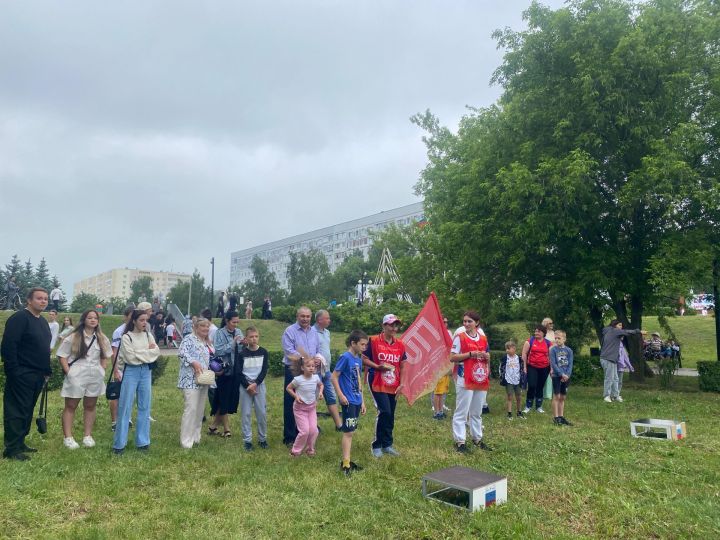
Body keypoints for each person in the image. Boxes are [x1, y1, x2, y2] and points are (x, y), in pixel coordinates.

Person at [1, 288, 51, 461]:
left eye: (45, 298)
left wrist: (47, 372)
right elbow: (8, 346)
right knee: (16, 410)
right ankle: (11, 449)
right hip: (21, 373)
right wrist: (14, 371)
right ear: (29, 300)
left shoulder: (43, 322)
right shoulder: (19, 319)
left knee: (27, 409)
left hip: (37, 375)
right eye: (39, 298)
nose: (43, 301)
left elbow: (44, 349)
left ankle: (20, 442)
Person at [57, 309, 112, 449]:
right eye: (89, 318)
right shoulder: (74, 336)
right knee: (71, 405)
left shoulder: (101, 337)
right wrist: (69, 372)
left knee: (90, 405)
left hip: (95, 374)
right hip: (77, 373)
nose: (93, 320)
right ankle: (68, 437)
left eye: (95, 318)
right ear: (84, 320)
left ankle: (87, 435)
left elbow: (105, 355)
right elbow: (62, 355)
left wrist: (102, 369)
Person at [111, 309, 160, 454]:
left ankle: (143, 442)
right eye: (141, 320)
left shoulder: (148, 335)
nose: (145, 323)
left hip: (146, 372)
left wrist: (141, 354)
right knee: (125, 407)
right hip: (131, 372)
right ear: (134, 321)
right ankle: (119, 444)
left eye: (146, 320)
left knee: (145, 406)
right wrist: (147, 353)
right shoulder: (126, 337)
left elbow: (156, 353)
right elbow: (130, 358)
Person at [362, 314, 407, 458]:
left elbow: (403, 365)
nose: (394, 328)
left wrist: (402, 383)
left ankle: (387, 444)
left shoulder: (400, 344)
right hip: (376, 380)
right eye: (391, 325)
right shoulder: (373, 341)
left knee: (391, 413)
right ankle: (376, 445)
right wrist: (377, 366)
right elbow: (363, 358)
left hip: (393, 382)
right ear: (383, 326)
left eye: (396, 325)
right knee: (384, 411)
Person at [450, 310, 491, 453]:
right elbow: (452, 357)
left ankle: (477, 438)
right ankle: (460, 441)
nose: (466, 324)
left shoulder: (483, 338)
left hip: (479, 377)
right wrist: (470, 354)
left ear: (477, 323)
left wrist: (486, 358)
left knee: (476, 411)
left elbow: (488, 355)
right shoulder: (460, 337)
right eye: (464, 321)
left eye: (469, 321)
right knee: (462, 410)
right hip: (465, 377)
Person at [281, 306, 319, 445]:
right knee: (292, 401)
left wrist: (317, 359)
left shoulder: (314, 332)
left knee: (308, 399)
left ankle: (305, 431)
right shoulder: (290, 331)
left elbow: (318, 349)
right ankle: (290, 436)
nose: (305, 319)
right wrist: (307, 359)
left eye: (308, 316)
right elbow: (289, 351)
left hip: (309, 370)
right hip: (294, 370)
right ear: (297, 316)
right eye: (302, 316)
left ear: (311, 317)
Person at [332, 330, 368, 476]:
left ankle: (347, 461)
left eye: (366, 344)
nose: (364, 347)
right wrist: (340, 395)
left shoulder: (358, 359)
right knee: (348, 433)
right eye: (362, 344)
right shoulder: (345, 357)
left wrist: (363, 401)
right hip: (348, 400)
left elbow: (359, 381)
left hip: (356, 400)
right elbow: (334, 377)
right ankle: (346, 463)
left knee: (351, 431)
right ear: (353, 343)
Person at [177, 317, 214, 449]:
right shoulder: (189, 339)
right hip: (190, 379)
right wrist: (193, 362)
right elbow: (181, 353)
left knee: (199, 410)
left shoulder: (207, 342)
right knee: (191, 409)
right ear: (196, 328)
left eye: (207, 326)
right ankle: (186, 441)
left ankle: (195, 437)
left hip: (203, 379)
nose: (205, 328)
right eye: (202, 326)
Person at [209, 311, 244, 438]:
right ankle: (227, 429)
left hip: (236, 370)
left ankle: (213, 427)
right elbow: (218, 350)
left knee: (227, 399)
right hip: (224, 371)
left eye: (237, 322)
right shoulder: (219, 333)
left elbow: (240, 350)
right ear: (227, 321)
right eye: (233, 322)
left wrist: (243, 344)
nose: (236, 324)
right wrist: (233, 344)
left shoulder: (239, 332)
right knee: (223, 399)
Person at [236, 326, 269, 451]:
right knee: (246, 413)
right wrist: (247, 386)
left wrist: (256, 383)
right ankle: (247, 441)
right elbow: (239, 372)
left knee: (261, 413)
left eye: (256, 336)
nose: (254, 339)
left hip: (259, 386)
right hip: (245, 387)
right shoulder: (242, 354)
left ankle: (262, 439)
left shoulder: (264, 352)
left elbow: (264, 370)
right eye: (251, 337)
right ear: (246, 338)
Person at [600, 320, 646, 402]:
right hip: (607, 358)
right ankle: (606, 396)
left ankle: (615, 395)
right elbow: (626, 332)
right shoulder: (614, 331)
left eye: (621, 325)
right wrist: (639, 331)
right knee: (609, 378)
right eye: (619, 325)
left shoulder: (610, 331)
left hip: (612, 359)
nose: (621, 327)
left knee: (615, 378)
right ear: (614, 325)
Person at [286, 356, 324, 457]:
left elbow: (321, 385)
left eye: (313, 366)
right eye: (308, 366)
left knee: (314, 430)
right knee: (304, 431)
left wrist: (320, 392)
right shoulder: (298, 380)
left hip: (311, 408)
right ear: (302, 368)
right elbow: (288, 388)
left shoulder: (316, 378)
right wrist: (296, 396)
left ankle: (310, 449)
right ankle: (295, 452)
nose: (311, 368)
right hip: (300, 409)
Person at [313, 309, 342, 430]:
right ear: (319, 320)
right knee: (313, 399)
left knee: (331, 397)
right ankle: (313, 425)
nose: (329, 320)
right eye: (327, 318)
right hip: (315, 371)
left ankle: (339, 425)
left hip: (327, 370)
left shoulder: (327, 332)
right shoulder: (311, 332)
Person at [109, 307, 134, 431]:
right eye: (131, 315)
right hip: (120, 367)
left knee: (129, 394)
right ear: (125, 317)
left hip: (132, 367)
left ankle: (126, 417)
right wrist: (115, 370)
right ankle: (114, 421)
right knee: (116, 394)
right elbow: (113, 352)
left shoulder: (137, 330)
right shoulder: (119, 331)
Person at [521, 325, 552, 414]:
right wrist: (524, 367)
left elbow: (551, 356)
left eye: (538, 331)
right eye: (535, 331)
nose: (536, 333)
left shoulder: (548, 343)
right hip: (532, 367)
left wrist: (551, 369)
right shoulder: (529, 341)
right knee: (532, 385)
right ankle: (528, 406)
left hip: (545, 368)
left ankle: (539, 406)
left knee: (540, 386)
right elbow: (524, 354)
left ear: (543, 333)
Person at [549, 330, 574, 426]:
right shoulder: (553, 350)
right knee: (557, 396)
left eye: (559, 338)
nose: (557, 340)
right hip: (556, 376)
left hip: (566, 377)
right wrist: (561, 374)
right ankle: (556, 418)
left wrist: (567, 375)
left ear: (564, 339)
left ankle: (561, 417)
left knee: (563, 397)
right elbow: (554, 364)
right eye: (555, 338)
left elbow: (570, 363)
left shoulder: (569, 350)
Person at [431, 317, 453, 420]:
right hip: (437, 368)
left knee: (442, 391)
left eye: (446, 322)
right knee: (437, 392)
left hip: (445, 367)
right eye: (443, 322)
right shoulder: (435, 335)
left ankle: (440, 411)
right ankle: (436, 412)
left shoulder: (448, 334)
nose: (445, 324)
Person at [499, 340, 526, 420]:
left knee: (519, 396)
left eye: (508, 348)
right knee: (510, 396)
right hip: (508, 380)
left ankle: (519, 412)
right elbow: (501, 368)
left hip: (517, 380)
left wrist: (522, 378)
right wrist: (502, 377)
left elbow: (521, 368)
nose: (507, 350)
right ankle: (509, 413)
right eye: (506, 348)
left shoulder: (519, 359)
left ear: (514, 348)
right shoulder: (504, 358)